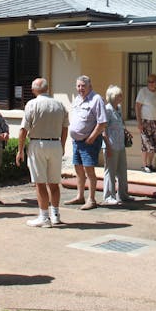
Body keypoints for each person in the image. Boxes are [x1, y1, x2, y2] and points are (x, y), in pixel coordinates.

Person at [16, 78, 69, 227]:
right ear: (47, 88)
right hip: (55, 144)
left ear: (34, 90)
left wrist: (20, 150)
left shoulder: (32, 104)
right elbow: (65, 128)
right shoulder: (59, 105)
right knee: (54, 182)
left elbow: (23, 129)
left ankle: (44, 216)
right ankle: (55, 214)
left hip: (38, 143)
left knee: (40, 183)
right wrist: (62, 145)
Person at [66, 75, 107, 210]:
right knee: (78, 169)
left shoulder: (96, 99)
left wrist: (92, 137)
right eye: (78, 86)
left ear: (90, 86)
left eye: (83, 86)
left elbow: (102, 123)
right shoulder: (77, 99)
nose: (80, 88)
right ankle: (80, 196)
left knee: (89, 171)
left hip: (88, 142)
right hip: (77, 142)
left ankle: (92, 199)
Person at [102, 85, 132, 205]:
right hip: (111, 144)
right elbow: (103, 129)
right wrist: (108, 146)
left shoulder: (118, 108)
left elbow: (120, 123)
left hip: (120, 144)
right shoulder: (107, 110)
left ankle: (123, 194)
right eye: (119, 95)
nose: (121, 97)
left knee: (122, 170)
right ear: (113, 97)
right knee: (110, 171)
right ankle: (109, 196)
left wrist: (125, 131)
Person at [135, 73, 156, 173]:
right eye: (148, 82)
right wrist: (139, 122)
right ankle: (144, 165)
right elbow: (137, 107)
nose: (150, 83)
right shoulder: (143, 92)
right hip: (145, 121)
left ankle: (150, 165)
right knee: (146, 144)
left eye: (152, 81)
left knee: (154, 145)